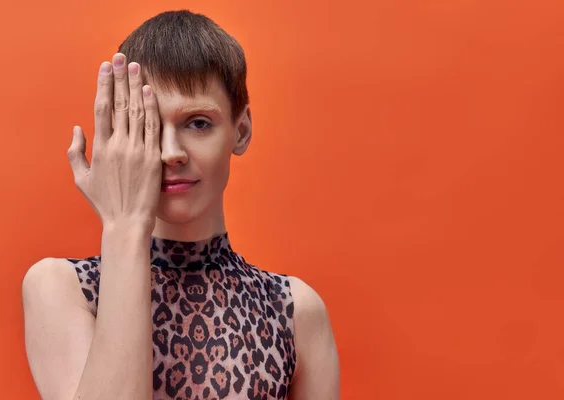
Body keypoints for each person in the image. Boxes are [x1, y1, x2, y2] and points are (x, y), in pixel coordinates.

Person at [22, 9, 339, 400]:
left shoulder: (293, 311)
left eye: (198, 123)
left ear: (240, 132)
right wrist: (124, 225)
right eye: (147, 126)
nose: (171, 152)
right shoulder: (64, 289)